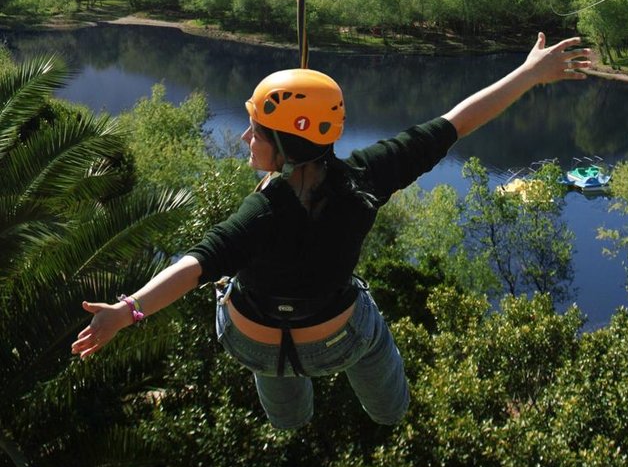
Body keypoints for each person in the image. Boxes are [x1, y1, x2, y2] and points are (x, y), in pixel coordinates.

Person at [73, 33, 592, 429]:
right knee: (367, 329)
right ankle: (388, 413)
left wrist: (128, 311)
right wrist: (530, 74)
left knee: (247, 313)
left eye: (257, 128)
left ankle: (291, 421)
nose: (246, 134)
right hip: (335, 339)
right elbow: (457, 122)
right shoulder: (366, 178)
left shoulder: (261, 214)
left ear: (286, 144)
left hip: (250, 341)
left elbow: (194, 265)